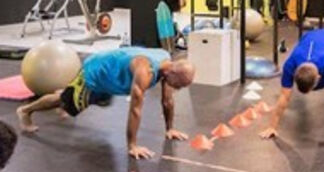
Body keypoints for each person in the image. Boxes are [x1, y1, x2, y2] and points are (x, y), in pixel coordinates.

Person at [17, 47, 195, 159]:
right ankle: (26, 110)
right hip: (95, 73)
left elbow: (167, 100)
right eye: (178, 85)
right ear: (172, 73)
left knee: (101, 102)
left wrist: (169, 128)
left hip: (111, 78)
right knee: (66, 103)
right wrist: (132, 145)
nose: (177, 89)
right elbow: (135, 110)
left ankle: (68, 93)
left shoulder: (167, 63)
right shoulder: (145, 71)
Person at [258, 29, 324, 152]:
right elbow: (284, 97)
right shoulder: (290, 65)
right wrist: (271, 127)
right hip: (309, 36)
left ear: (319, 78)